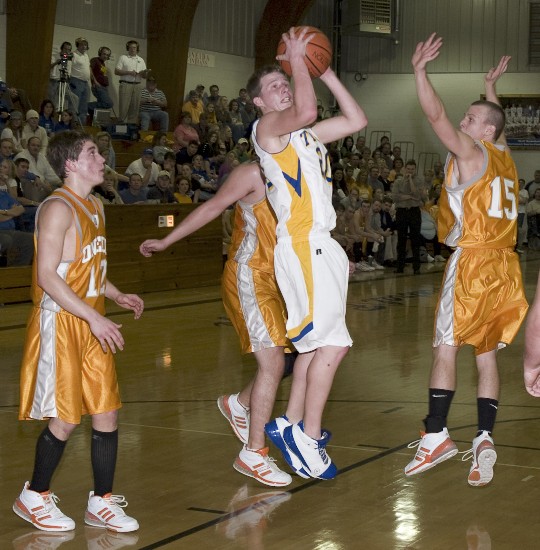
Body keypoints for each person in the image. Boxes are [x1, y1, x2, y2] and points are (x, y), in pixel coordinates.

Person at [404, 35, 528, 487]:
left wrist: (420, 72)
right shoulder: (505, 158)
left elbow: (436, 116)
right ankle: (484, 437)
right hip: (506, 269)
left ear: (485, 132)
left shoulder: (472, 153)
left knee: (445, 347)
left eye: (471, 119)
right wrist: (491, 90)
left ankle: (436, 434)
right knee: (486, 356)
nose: (463, 121)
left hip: (473, 262)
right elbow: (498, 125)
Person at [247, 27, 367, 480]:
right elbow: (308, 108)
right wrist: (298, 60)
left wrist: (325, 70)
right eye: (273, 86)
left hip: (319, 243)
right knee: (335, 343)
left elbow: (356, 120)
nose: (283, 87)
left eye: (285, 82)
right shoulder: (267, 130)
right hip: (302, 244)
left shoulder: (306, 135)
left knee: (315, 347)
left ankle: (292, 424)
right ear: (258, 102)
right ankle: (308, 435)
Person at [13, 131, 143, 533]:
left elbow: (87, 268)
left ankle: (101, 501)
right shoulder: (57, 208)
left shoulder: (96, 205)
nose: (102, 159)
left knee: (107, 410)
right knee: (66, 417)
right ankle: (34, 495)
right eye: (92, 153)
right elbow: (47, 276)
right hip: (60, 321)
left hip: (91, 319)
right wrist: (93, 317)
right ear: (70, 163)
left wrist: (115, 295)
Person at [140, 162, 294, 487]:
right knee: (273, 361)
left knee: (289, 359)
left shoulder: (297, 170)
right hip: (250, 273)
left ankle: (239, 403)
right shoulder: (252, 173)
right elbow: (211, 207)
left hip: (281, 279)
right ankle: (254, 452)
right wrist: (167, 241)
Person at [392, 159, 424, 274]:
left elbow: (418, 195)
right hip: (402, 211)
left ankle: (416, 267)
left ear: (415, 170)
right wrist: (409, 197)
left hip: (414, 211)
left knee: (415, 239)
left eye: (412, 169)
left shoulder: (419, 181)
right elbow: (395, 197)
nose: (410, 171)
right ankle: (400, 266)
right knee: (401, 239)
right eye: (408, 169)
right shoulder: (398, 181)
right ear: (405, 169)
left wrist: (410, 180)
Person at [114, 40, 148, 124]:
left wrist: (144, 73)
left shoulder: (141, 60)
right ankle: (121, 126)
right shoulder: (123, 57)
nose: (132, 49)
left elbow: (145, 76)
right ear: (127, 48)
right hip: (126, 84)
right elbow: (116, 71)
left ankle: (131, 126)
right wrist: (129, 72)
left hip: (137, 85)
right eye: (130, 47)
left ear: (137, 49)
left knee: (135, 107)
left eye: (134, 47)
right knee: (123, 107)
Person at [70, 38, 92, 123]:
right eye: (81, 44)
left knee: (84, 105)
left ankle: (81, 123)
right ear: (77, 45)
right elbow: (68, 67)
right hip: (76, 82)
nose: (84, 46)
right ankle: (74, 123)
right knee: (75, 104)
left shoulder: (86, 55)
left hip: (85, 83)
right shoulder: (73, 55)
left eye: (85, 45)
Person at [89, 46, 114, 113]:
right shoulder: (95, 60)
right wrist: (95, 82)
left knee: (101, 106)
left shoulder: (103, 63)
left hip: (103, 87)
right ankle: (85, 106)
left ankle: (92, 113)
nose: (105, 56)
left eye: (107, 55)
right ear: (100, 53)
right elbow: (90, 70)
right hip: (98, 87)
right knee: (108, 103)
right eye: (104, 54)